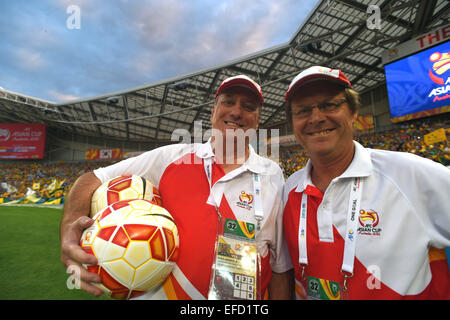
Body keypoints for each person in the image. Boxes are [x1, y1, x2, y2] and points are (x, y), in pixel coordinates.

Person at [60, 75, 294, 300]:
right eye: (229, 102)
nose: (236, 112)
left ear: (257, 120)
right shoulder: (171, 158)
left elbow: (280, 267)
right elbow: (91, 179)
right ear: (213, 111)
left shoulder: (272, 174)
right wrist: (70, 227)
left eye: (249, 106)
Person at [282, 66, 450, 299]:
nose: (317, 118)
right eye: (302, 111)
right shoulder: (289, 189)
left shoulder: (408, 174)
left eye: (330, 105)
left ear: (353, 112)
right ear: (293, 124)